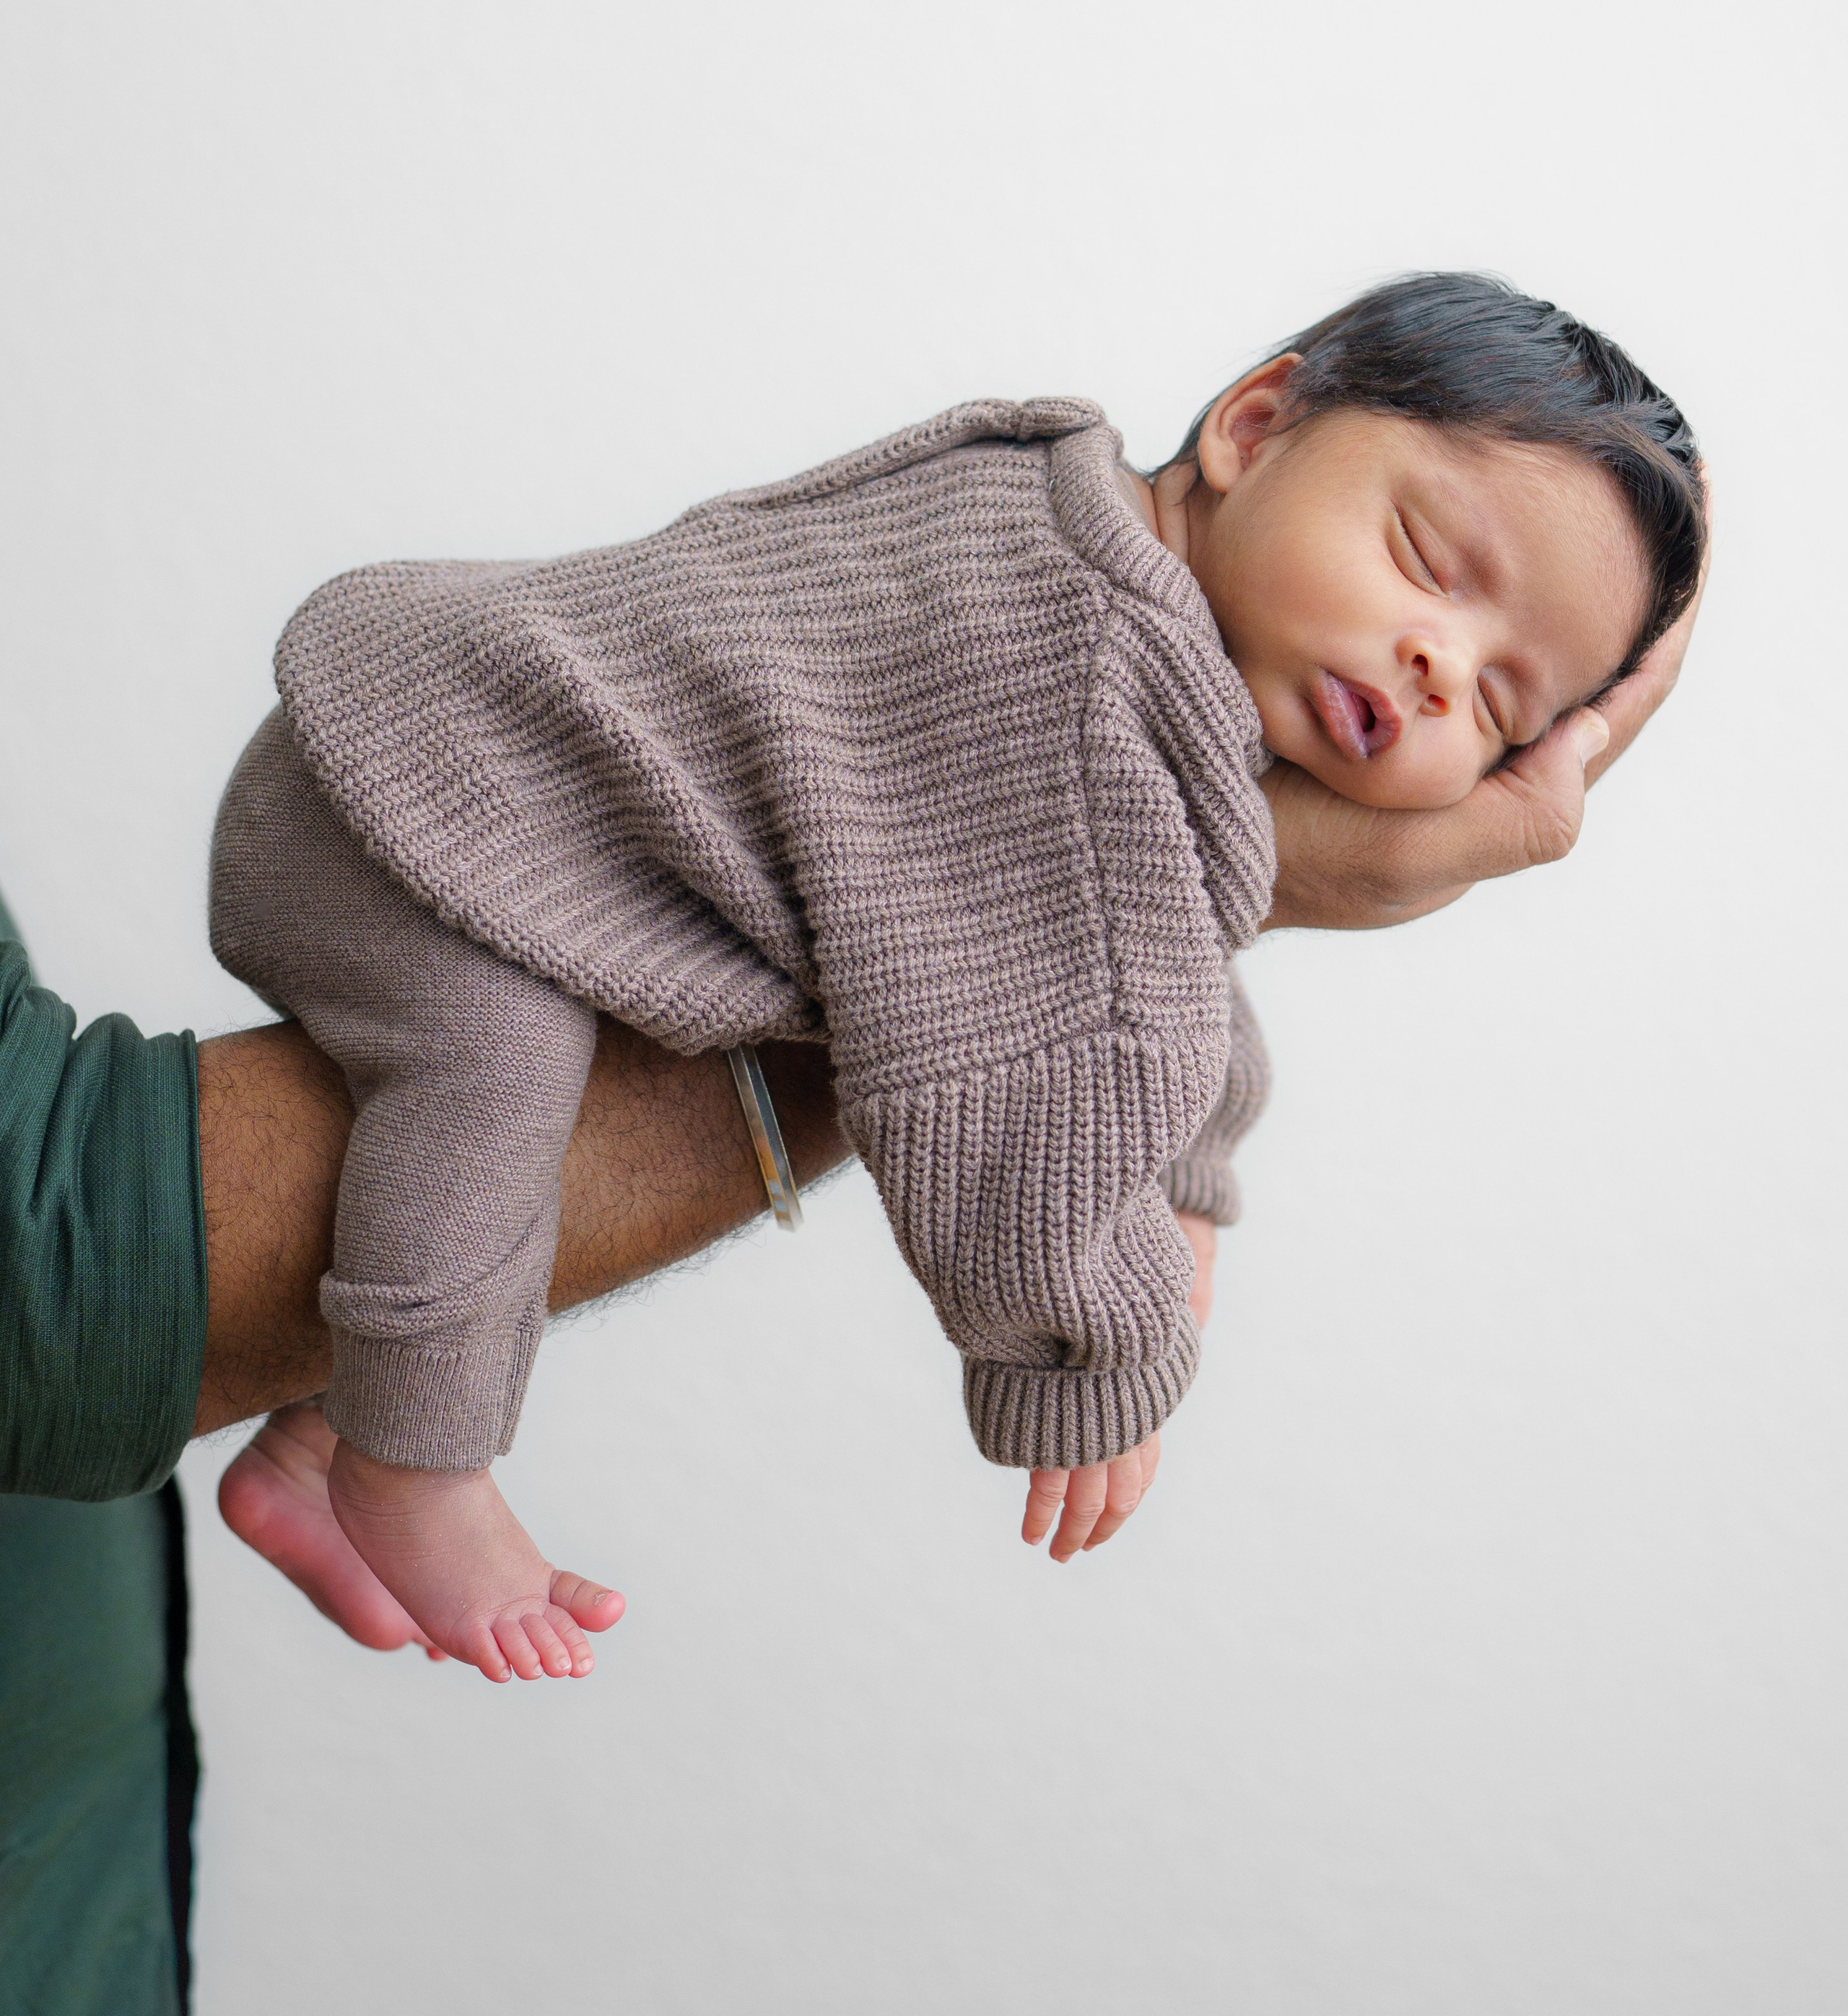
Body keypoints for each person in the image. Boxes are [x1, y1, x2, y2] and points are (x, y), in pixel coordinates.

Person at [201, 275, 1704, 1685]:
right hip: (414, 816)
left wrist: (1189, 1173)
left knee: (529, 1131)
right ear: (1254, 428)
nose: (1440, 661)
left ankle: (326, 1444)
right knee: (492, 1084)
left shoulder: (1068, 510)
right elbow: (1009, 1084)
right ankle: (414, 1464)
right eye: (1429, 564)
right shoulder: (1073, 671)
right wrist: (1095, 1352)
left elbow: (1136, 948)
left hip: (435, 756)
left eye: (1504, 696)